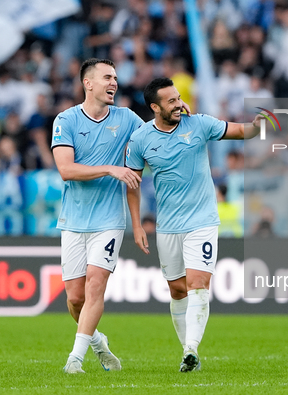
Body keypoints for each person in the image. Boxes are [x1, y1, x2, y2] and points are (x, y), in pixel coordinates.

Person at [51, 58, 190, 374]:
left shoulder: (127, 119)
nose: (114, 82)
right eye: (107, 77)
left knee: (95, 286)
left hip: (109, 220)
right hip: (73, 220)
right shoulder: (66, 120)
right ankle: (99, 344)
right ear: (88, 83)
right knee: (75, 298)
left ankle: (75, 359)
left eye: (115, 77)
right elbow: (65, 170)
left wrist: (180, 118)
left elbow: (155, 135)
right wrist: (110, 168)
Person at [126, 77, 263, 372]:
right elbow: (132, 184)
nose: (178, 104)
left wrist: (259, 124)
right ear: (154, 107)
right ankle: (189, 352)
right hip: (167, 226)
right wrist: (137, 225)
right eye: (171, 101)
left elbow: (241, 131)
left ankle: (191, 350)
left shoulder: (198, 124)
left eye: (179, 98)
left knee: (198, 284)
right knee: (177, 290)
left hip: (201, 221)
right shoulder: (140, 139)